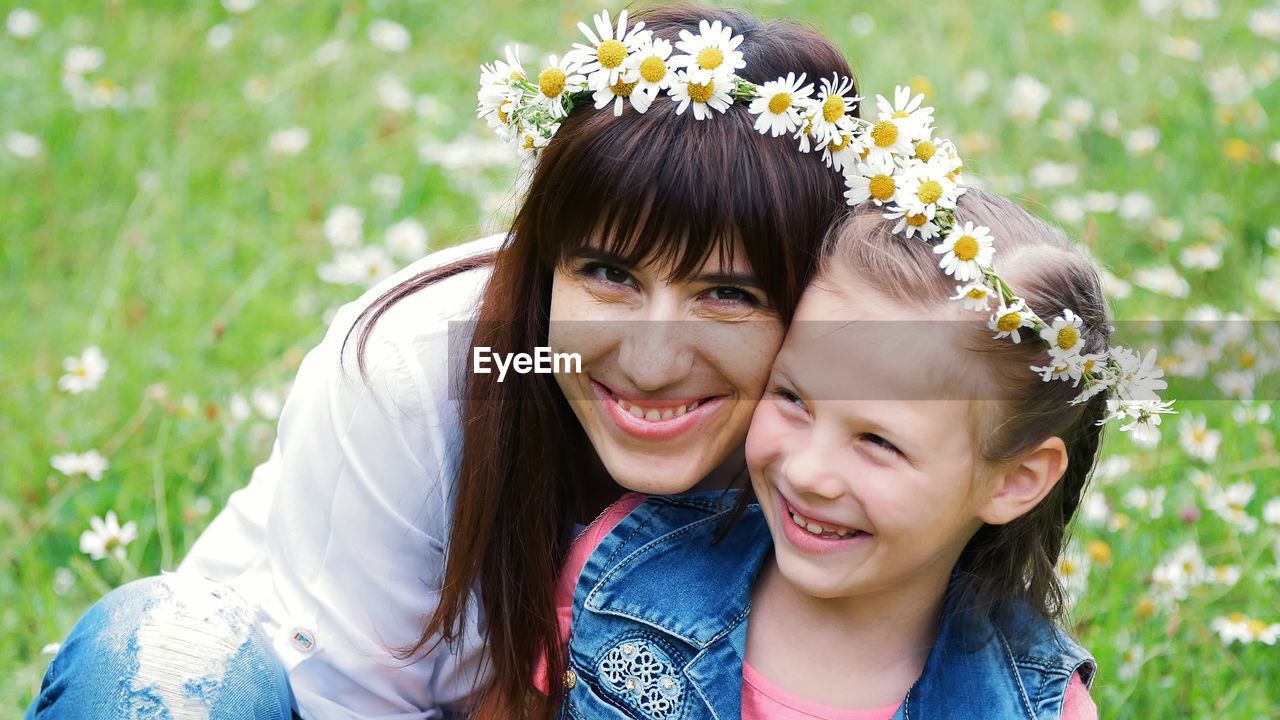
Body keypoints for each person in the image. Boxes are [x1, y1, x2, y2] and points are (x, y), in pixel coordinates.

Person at [25, 5, 860, 719]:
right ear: (546, 259)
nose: (648, 362)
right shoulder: (415, 370)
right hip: (295, 698)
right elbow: (345, 703)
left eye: (729, 296)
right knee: (164, 639)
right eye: (609, 274)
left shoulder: (875, 416)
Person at [548, 91, 1173, 718]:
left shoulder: (1028, 705)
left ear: (1015, 479)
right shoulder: (622, 571)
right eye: (792, 399)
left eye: (878, 441)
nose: (807, 472)